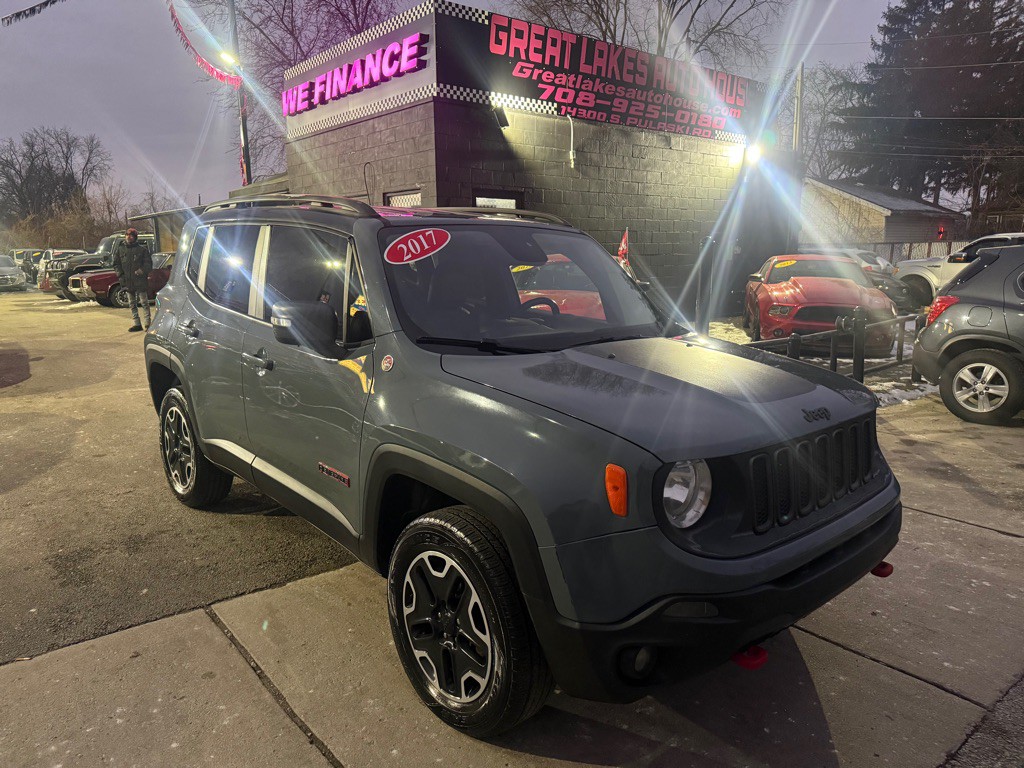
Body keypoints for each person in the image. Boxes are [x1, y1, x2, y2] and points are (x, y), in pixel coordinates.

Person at [112, 228, 153, 332]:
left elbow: (148, 264)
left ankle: (148, 323)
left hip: (140, 280)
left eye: (131, 235)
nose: (128, 237)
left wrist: (142, 270)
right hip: (127, 280)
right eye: (127, 235)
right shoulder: (121, 249)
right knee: (132, 303)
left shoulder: (142, 250)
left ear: (135, 237)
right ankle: (137, 323)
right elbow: (116, 264)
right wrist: (120, 275)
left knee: (144, 302)